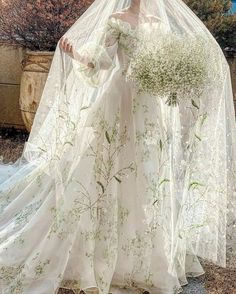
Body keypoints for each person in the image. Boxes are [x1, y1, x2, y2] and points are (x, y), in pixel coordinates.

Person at [0, 0, 236, 293]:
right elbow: (101, 62)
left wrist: (175, 75)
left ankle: (140, 253)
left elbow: (159, 61)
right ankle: (99, 248)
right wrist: (74, 52)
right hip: (119, 101)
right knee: (105, 168)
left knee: (146, 171)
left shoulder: (156, 23)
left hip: (149, 105)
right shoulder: (119, 19)